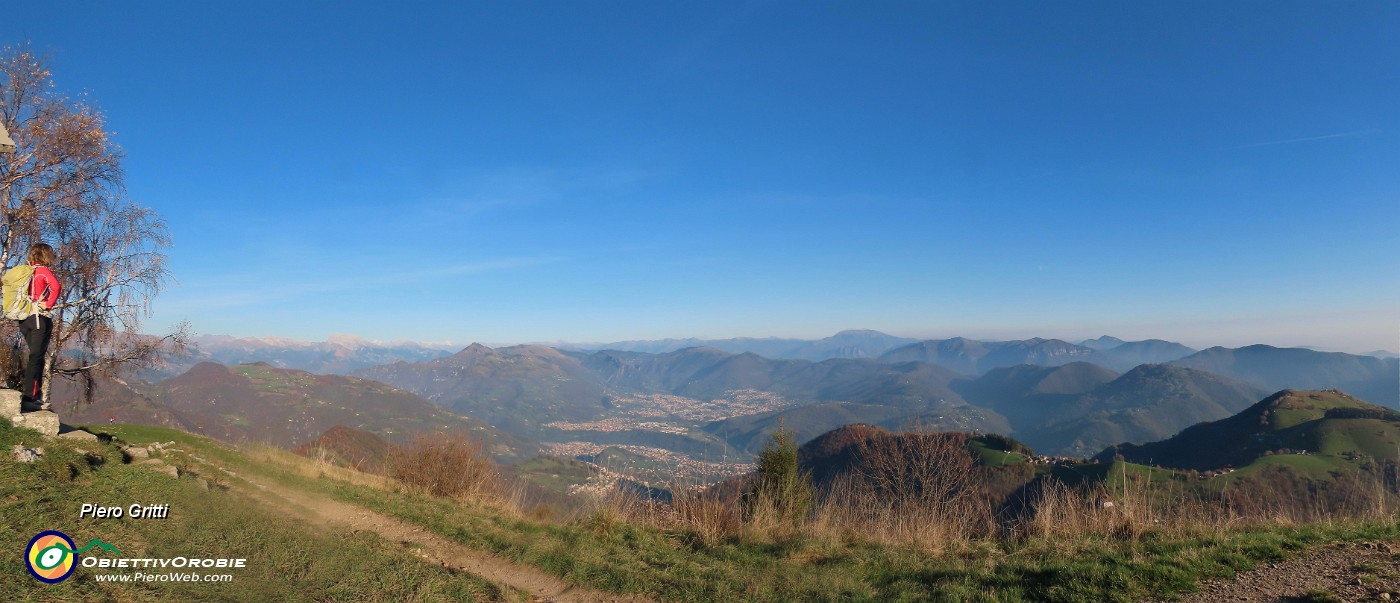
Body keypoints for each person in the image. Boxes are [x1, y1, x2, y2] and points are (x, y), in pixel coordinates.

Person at [17, 243, 60, 412]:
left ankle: (32, 394)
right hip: (38, 318)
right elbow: (56, 287)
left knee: (34, 355)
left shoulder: (23, 271)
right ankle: (31, 397)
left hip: (23, 318)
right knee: (37, 357)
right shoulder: (42, 271)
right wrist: (48, 305)